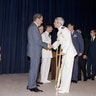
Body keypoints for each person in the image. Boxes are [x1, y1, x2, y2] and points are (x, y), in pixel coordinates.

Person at [27, 13, 52, 92]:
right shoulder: (34, 28)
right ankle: (32, 86)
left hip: (34, 51)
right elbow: (38, 41)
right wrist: (47, 45)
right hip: (34, 51)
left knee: (34, 69)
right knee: (34, 69)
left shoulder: (33, 27)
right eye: (41, 20)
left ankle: (31, 83)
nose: (42, 22)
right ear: (37, 19)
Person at [52, 17, 77, 93]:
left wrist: (65, 51)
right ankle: (62, 86)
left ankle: (65, 89)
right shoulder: (59, 31)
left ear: (59, 23)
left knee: (67, 71)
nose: (54, 23)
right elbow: (59, 41)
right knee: (63, 70)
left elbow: (68, 40)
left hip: (69, 53)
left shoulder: (65, 30)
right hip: (65, 53)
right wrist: (52, 46)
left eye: (55, 22)